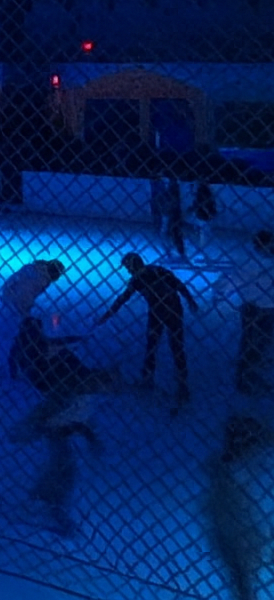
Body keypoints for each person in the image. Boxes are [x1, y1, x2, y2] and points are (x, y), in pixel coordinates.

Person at [8, 316, 117, 536]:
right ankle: (47, 503)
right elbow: (47, 410)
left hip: (59, 426)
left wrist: (92, 440)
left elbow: (84, 422)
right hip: (53, 428)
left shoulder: (81, 392)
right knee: (64, 467)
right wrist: (29, 428)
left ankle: (44, 499)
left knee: (63, 467)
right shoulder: (69, 391)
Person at [95, 252, 198, 406]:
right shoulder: (155, 271)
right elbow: (179, 285)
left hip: (164, 311)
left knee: (158, 345)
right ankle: (177, 382)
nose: (128, 271)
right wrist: (190, 300)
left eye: (128, 268)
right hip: (169, 310)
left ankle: (154, 378)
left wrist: (107, 315)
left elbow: (122, 299)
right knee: (172, 346)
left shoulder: (140, 278)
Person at [205, 416, 273, 600]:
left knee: (241, 575)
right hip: (238, 527)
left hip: (241, 526)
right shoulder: (225, 473)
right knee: (240, 574)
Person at [214, 230, 274, 396]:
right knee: (253, 342)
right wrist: (220, 292)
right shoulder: (251, 264)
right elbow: (230, 280)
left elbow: (228, 280)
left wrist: (219, 292)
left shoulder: (249, 262)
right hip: (255, 308)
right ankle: (245, 378)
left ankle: (249, 373)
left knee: (257, 341)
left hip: (261, 308)